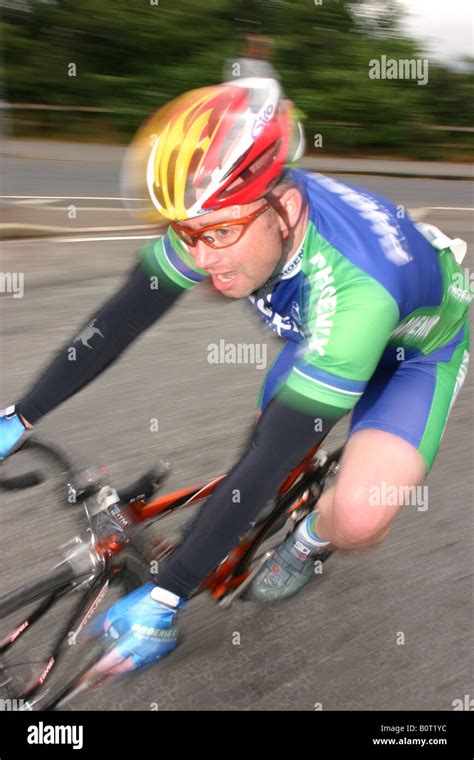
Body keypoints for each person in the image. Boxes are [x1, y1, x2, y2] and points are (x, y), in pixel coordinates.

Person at [0, 78, 470, 683]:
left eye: (219, 234)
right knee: (263, 456)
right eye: (189, 235)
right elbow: (117, 323)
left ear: (286, 207)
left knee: (354, 511)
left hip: (414, 351)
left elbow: (274, 455)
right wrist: (21, 415)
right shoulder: (221, 215)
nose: (203, 258)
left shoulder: (356, 288)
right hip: (326, 329)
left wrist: (167, 598)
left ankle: (308, 541)